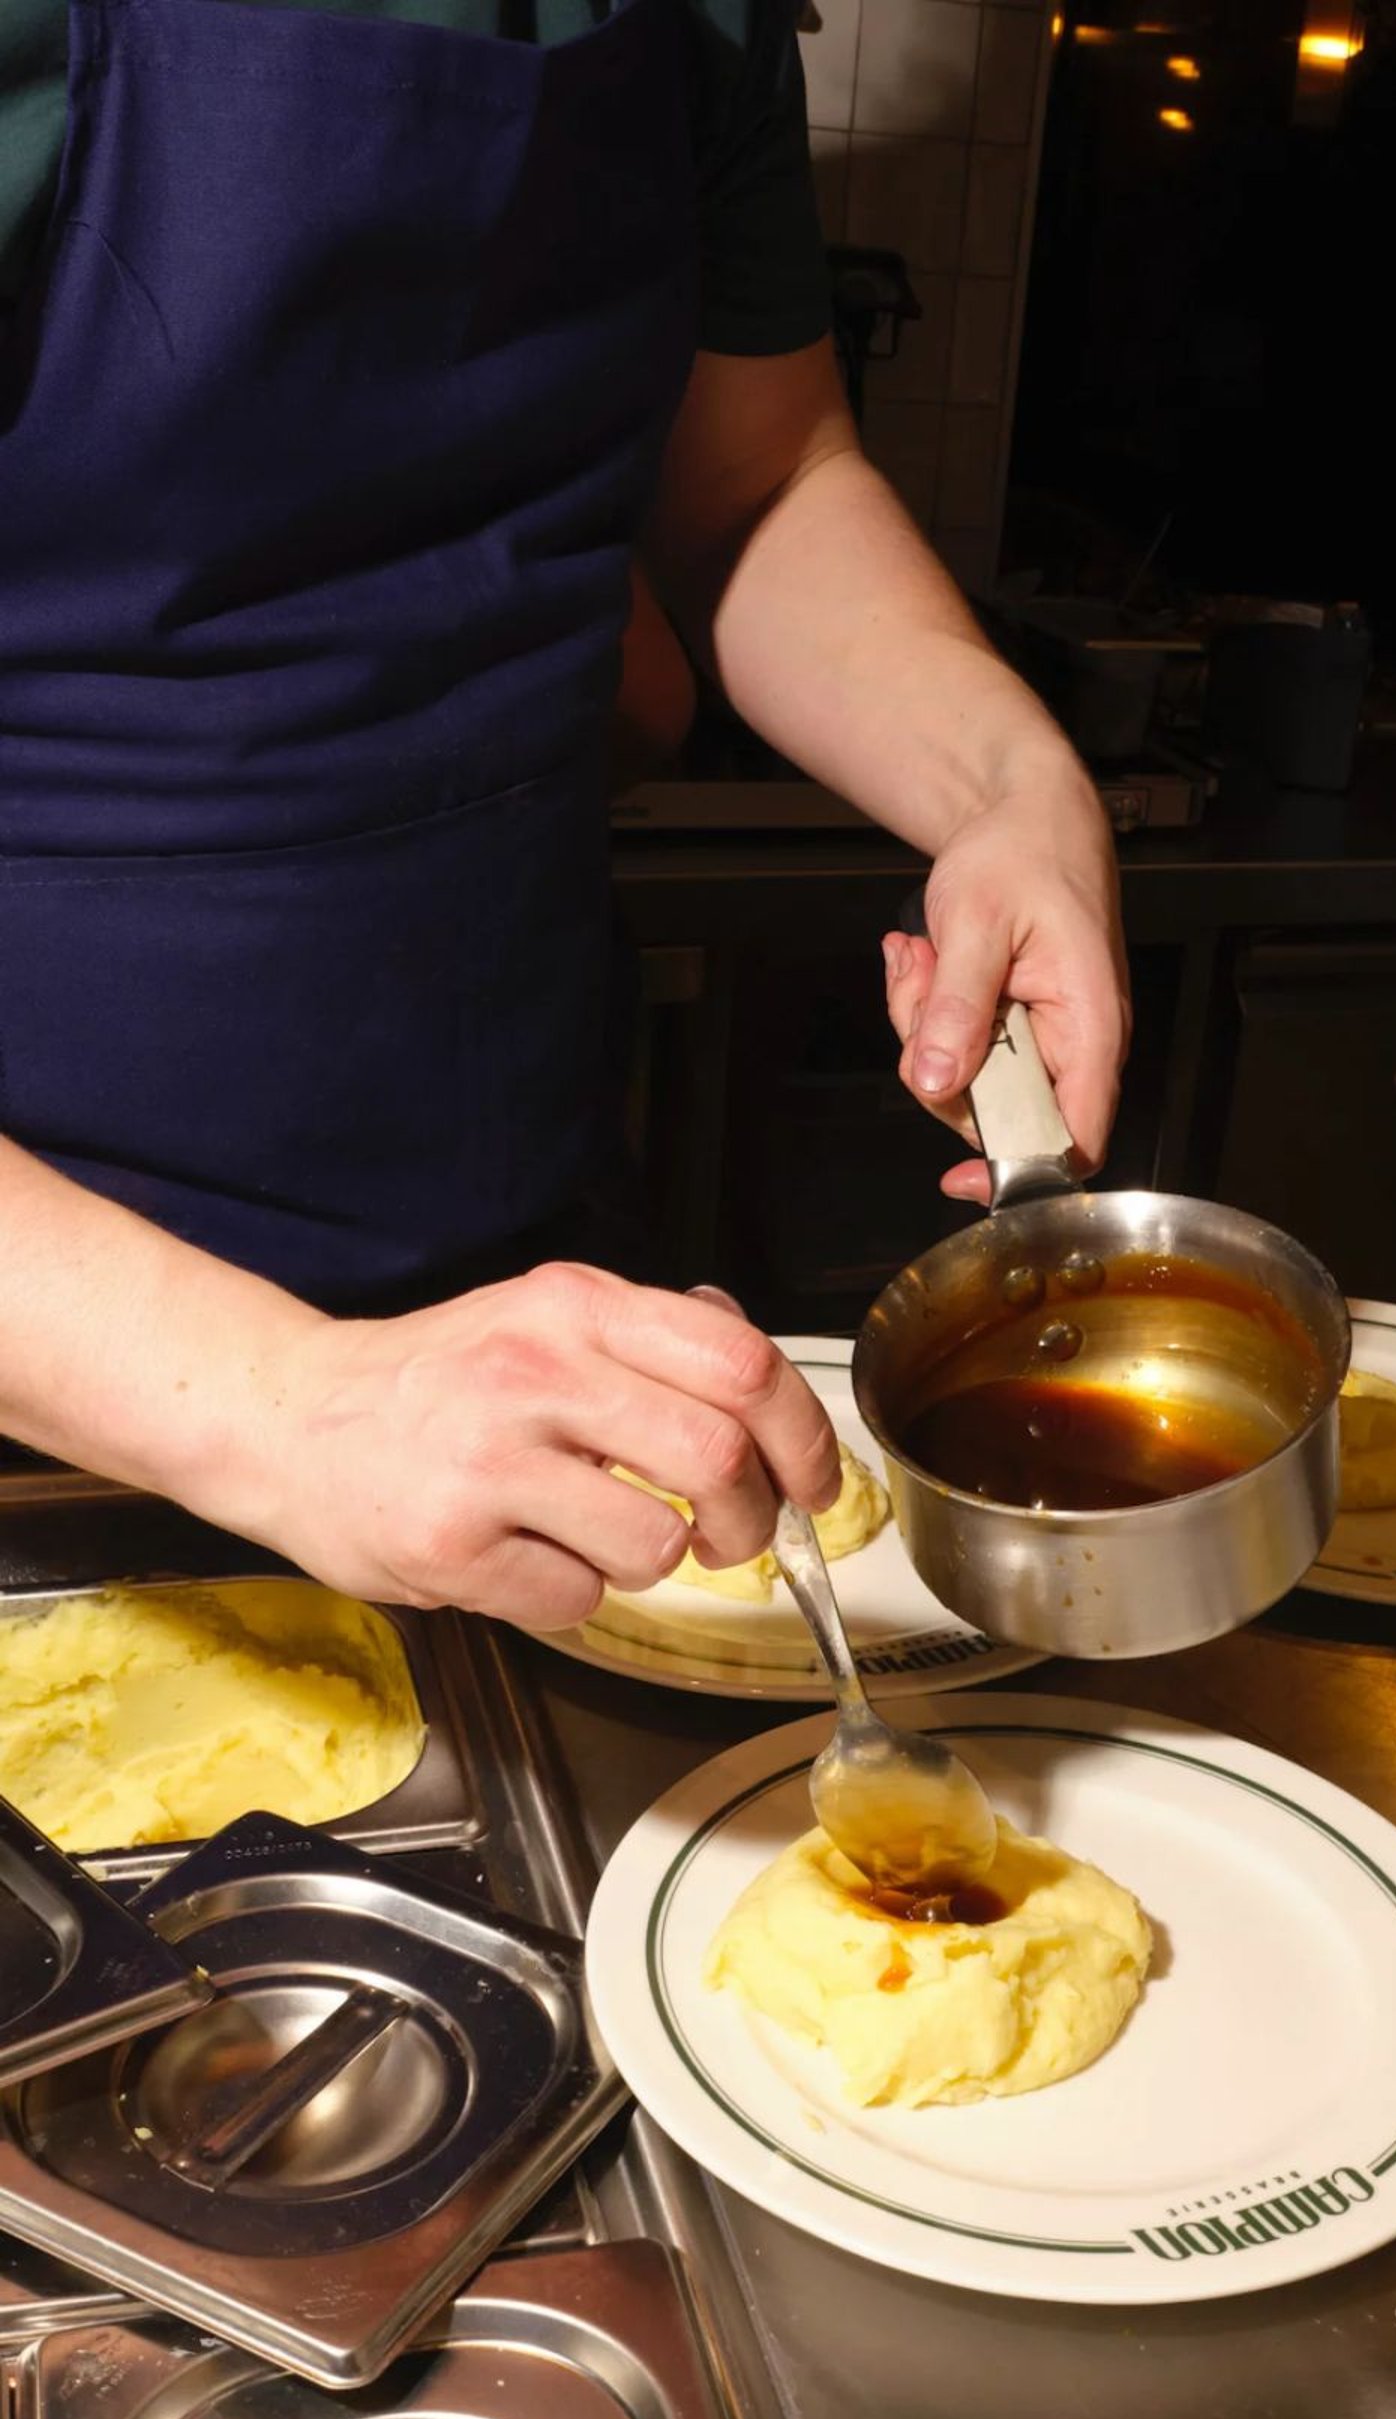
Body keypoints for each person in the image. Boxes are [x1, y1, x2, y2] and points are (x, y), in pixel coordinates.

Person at [0, 0, 1127, 1630]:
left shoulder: (702, 21)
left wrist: (1013, 787)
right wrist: (282, 1401)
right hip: (74, 1380)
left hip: (520, 1269)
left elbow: (759, 479)